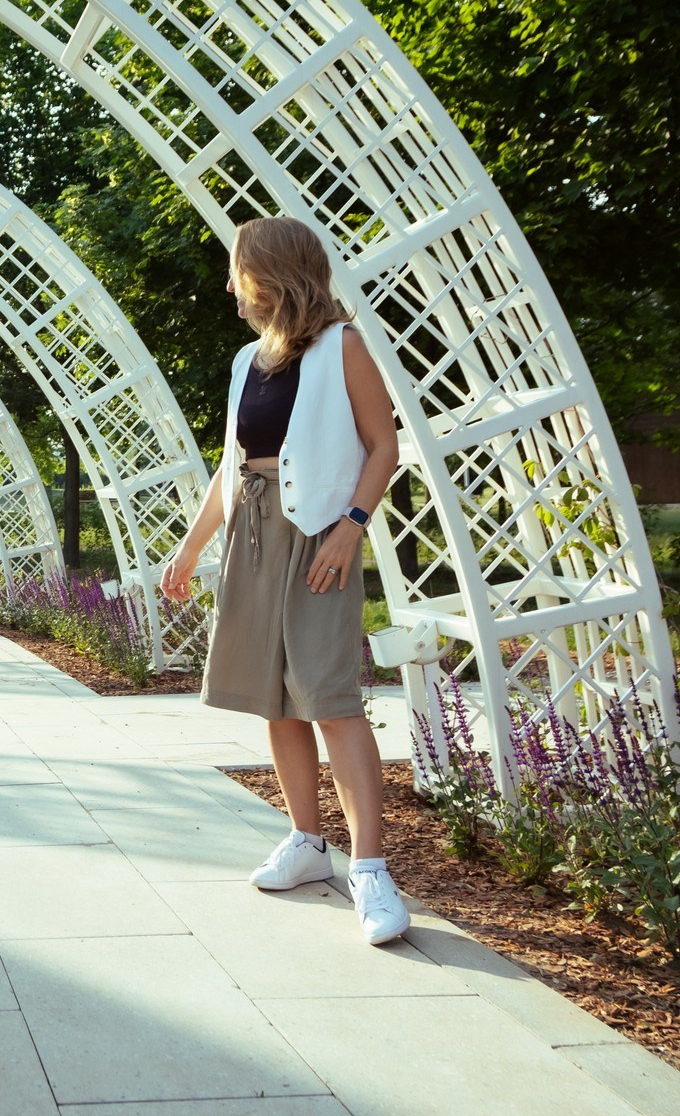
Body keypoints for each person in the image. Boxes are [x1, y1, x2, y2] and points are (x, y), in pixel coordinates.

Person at [161, 215, 409, 946]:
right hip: (255, 534)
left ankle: (370, 869)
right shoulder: (246, 362)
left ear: (271, 271)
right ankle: (306, 843)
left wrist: (350, 527)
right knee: (277, 701)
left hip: (320, 536)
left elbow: (383, 445)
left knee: (330, 698)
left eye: (237, 267)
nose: (229, 283)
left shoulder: (344, 346)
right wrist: (189, 548)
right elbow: (229, 467)